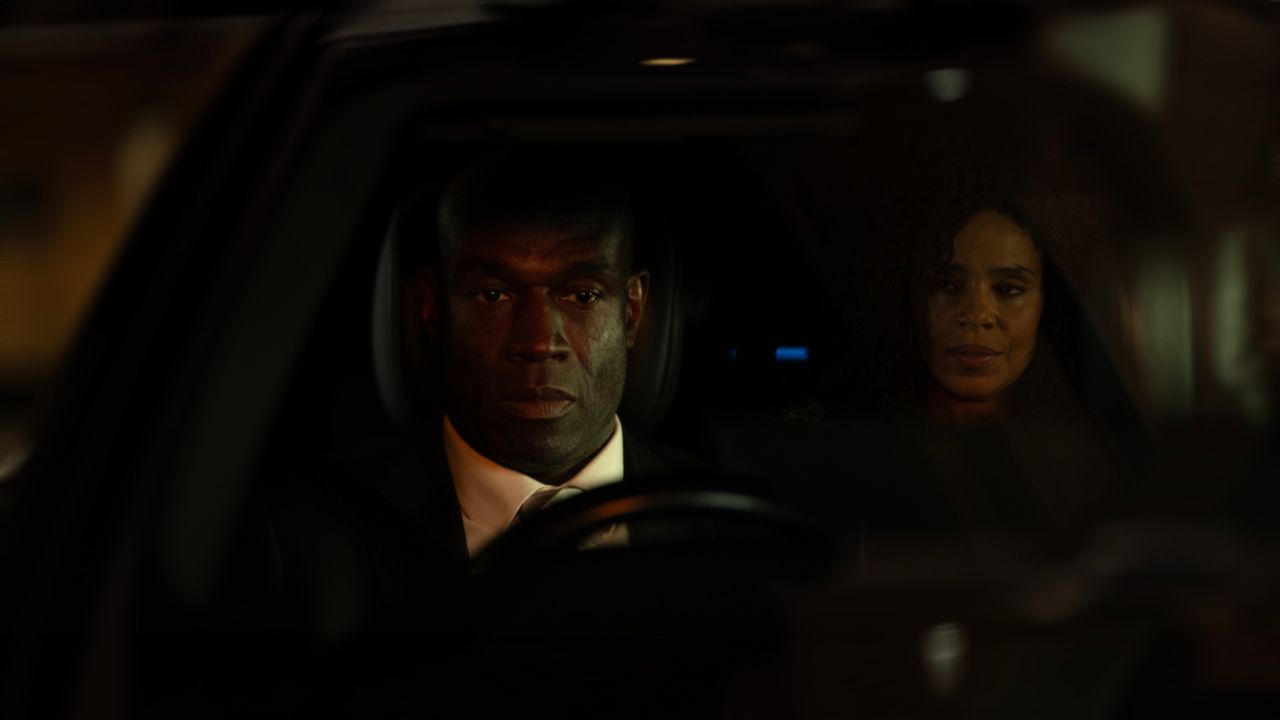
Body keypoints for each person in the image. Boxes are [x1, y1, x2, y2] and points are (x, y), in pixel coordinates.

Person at [267, 149, 711, 636]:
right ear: (433, 309)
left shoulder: (726, 528)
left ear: (632, 310)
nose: (538, 343)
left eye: (582, 295)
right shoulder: (301, 539)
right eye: (493, 295)